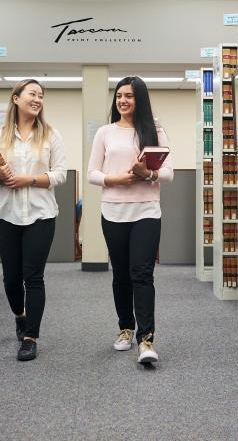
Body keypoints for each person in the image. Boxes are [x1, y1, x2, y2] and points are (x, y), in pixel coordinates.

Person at [88, 76, 173, 364]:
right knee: (121, 275)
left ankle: (146, 340)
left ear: (141, 100)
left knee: (142, 274)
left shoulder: (156, 132)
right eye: (119, 95)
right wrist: (116, 179)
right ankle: (125, 328)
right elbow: (92, 173)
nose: (123, 100)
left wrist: (146, 173)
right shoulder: (105, 132)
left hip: (147, 210)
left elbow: (169, 174)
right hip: (113, 211)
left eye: (130, 96)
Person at [0, 79, 66, 361]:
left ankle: (31, 336)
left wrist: (27, 179)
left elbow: (60, 175)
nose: (37, 99)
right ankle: (20, 316)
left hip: (41, 215)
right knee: (10, 279)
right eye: (32, 94)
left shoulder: (51, 135)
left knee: (34, 277)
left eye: (41, 95)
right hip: (7, 215)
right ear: (16, 98)